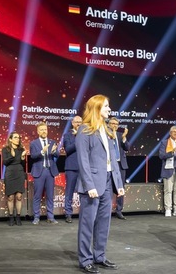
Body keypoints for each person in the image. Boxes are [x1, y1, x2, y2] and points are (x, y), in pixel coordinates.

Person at [75, 95, 125, 273]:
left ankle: (99, 256)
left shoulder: (107, 130)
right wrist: (90, 186)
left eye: (108, 106)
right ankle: (85, 259)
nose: (109, 109)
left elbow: (113, 160)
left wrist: (118, 184)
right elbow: (83, 161)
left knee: (104, 222)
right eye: (105, 106)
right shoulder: (85, 130)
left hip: (108, 182)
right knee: (87, 223)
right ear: (96, 108)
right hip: (93, 185)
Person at [29, 121, 59, 224]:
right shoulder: (33, 143)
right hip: (39, 171)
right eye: (41, 130)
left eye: (45, 129)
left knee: (50, 196)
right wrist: (42, 151)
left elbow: (57, 155)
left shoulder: (52, 142)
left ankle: (50, 217)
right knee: (37, 195)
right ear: (38, 131)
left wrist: (54, 151)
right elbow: (33, 156)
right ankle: (36, 217)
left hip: (50, 171)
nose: (44, 131)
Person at [159, 126, 176, 217]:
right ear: (170, 133)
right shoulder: (164, 142)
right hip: (168, 169)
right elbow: (161, 156)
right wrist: (171, 153)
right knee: (168, 191)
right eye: (174, 132)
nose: (175, 133)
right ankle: (168, 209)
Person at [1, 131, 27, 226]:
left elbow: (23, 164)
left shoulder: (21, 149)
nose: (18, 139)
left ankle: (18, 217)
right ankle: (11, 217)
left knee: (19, 197)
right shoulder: (5, 149)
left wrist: (23, 158)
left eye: (18, 137)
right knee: (11, 197)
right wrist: (12, 156)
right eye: (15, 137)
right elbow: (5, 162)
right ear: (10, 139)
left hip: (19, 173)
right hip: (10, 174)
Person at [62, 115, 83, 223]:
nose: (79, 124)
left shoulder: (85, 135)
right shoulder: (68, 135)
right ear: (73, 123)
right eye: (77, 122)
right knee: (69, 191)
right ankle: (68, 213)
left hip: (83, 168)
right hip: (71, 167)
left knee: (84, 192)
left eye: (80, 122)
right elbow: (68, 149)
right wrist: (77, 138)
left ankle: (84, 213)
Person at [107, 117, 129, 219]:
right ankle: (107, 209)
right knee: (109, 188)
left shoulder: (120, 135)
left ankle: (119, 210)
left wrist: (124, 138)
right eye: (112, 123)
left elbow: (127, 148)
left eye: (116, 124)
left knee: (120, 188)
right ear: (108, 124)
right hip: (109, 165)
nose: (114, 125)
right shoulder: (106, 134)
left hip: (120, 165)